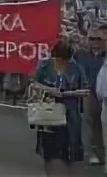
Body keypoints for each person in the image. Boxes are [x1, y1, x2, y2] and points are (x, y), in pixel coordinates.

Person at [34, 39, 88, 176]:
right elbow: (34, 84)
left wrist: (70, 93)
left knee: (69, 144)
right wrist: (48, 89)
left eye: (64, 60)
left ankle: (67, 166)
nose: (61, 63)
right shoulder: (45, 66)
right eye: (58, 60)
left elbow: (86, 90)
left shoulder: (76, 68)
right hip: (49, 110)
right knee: (50, 146)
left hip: (70, 112)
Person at [75, 28, 106, 165]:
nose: (94, 42)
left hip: (104, 95)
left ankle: (101, 152)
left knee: (102, 124)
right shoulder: (80, 54)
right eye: (91, 38)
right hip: (87, 93)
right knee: (89, 122)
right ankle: (91, 152)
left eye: (98, 39)